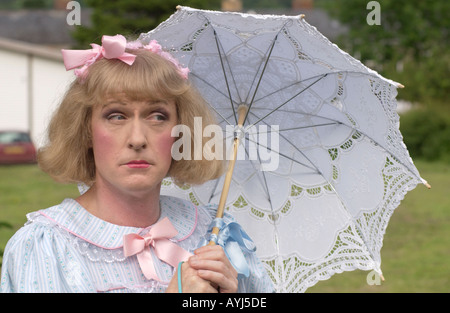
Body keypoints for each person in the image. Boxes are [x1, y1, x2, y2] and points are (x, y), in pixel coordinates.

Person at [0, 35, 273, 293]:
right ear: (85, 131)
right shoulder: (47, 247)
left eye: (157, 116)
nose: (138, 139)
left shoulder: (217, 235)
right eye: (116, 116)